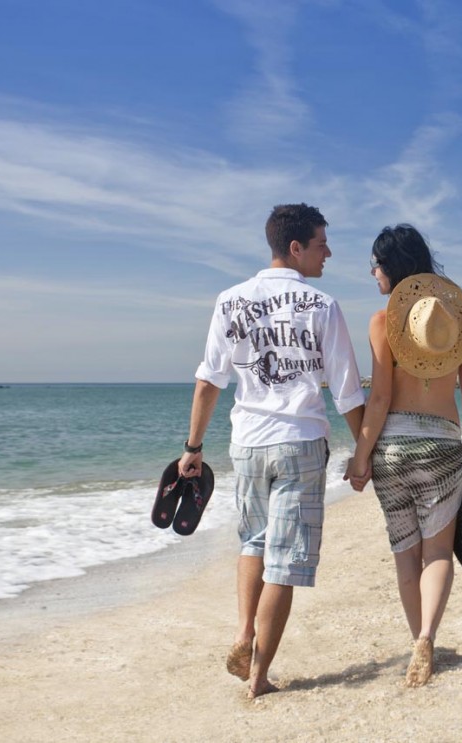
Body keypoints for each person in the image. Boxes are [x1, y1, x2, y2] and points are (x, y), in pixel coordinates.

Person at [179, 203, 365, 699]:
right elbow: (347, 390)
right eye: (322, 243)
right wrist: (364, 450)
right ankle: (259, 677)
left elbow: (208, 381)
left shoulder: (229, 300)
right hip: (300, 442)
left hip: (247, 444)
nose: (329, 252)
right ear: (296, 247)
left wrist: (193, 447)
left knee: (253, 542)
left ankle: (244, 631)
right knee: (286, 560)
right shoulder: (322, 305)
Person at [345, 224, 462, 687]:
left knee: (406, 554)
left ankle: (416, 644)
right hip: (443, 447)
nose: (373, 272)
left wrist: (360, 456)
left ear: (394, 267)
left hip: (392, 451)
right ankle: (427, 637)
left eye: (377, 264)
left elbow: (380, 399)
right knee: (438, 551)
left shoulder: (382, 321)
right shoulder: (459, 321)